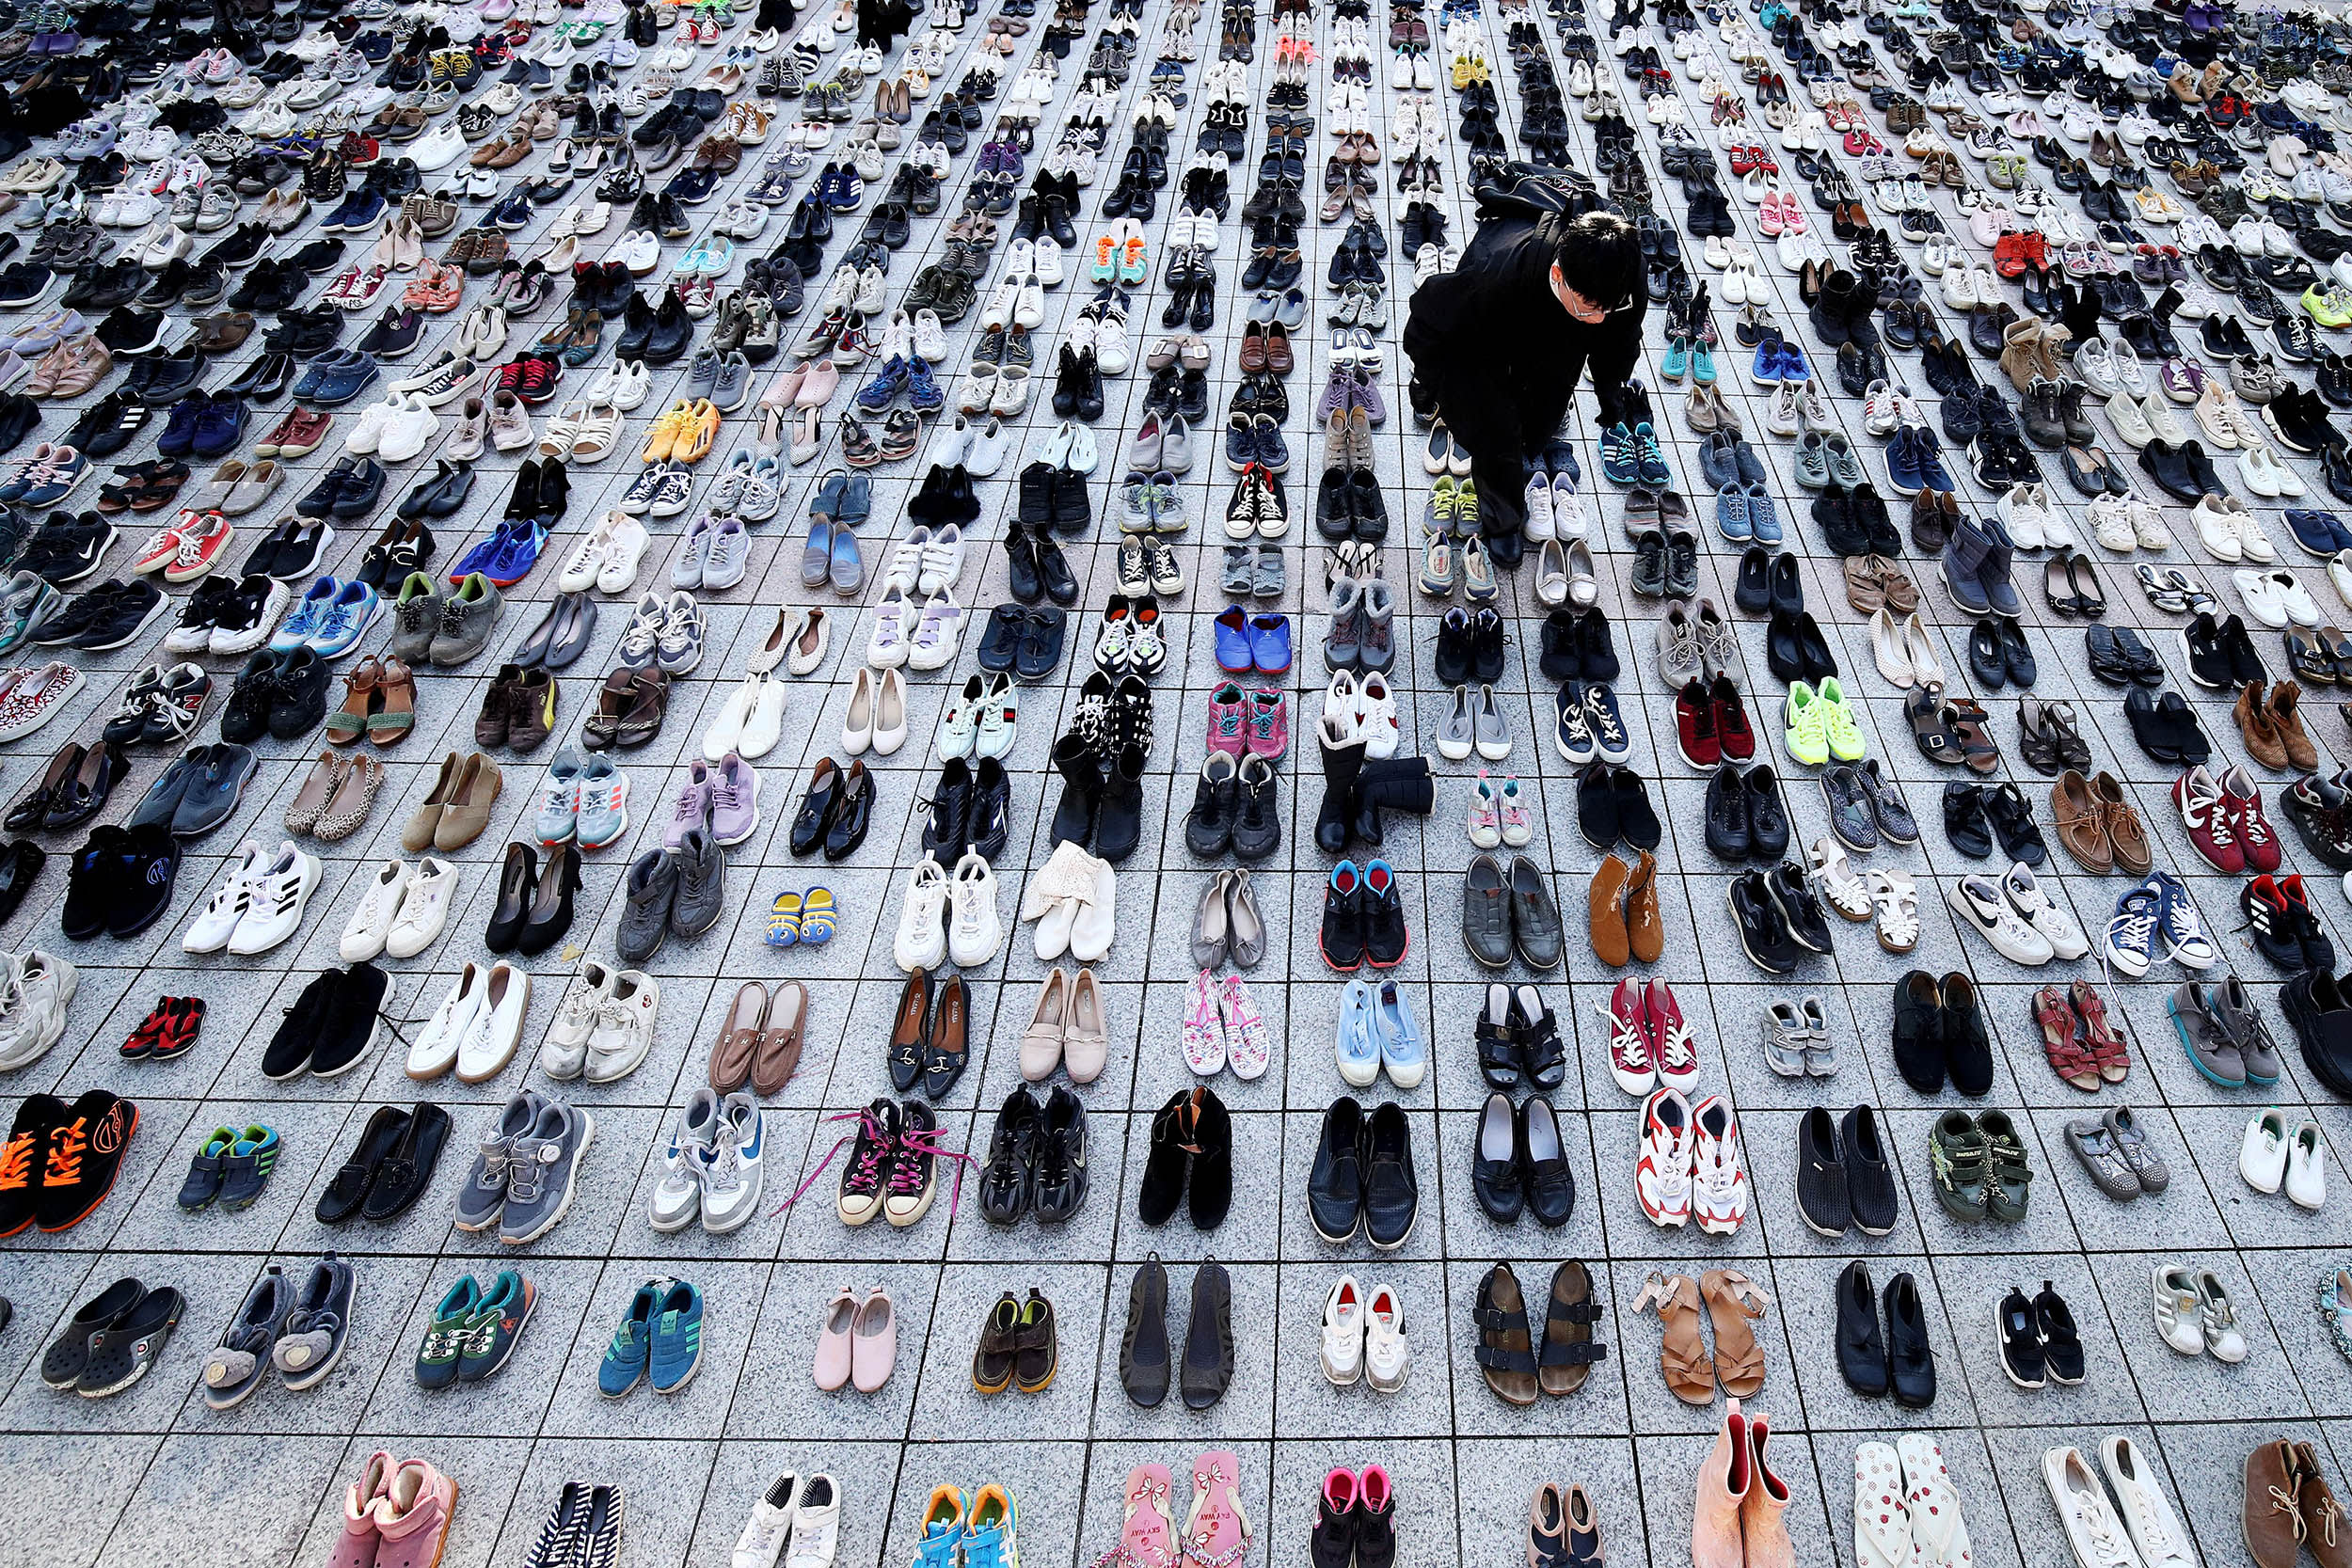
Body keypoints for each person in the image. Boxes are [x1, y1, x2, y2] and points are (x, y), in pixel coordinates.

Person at [1403, 209, 1647, 566]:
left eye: (1607, 309)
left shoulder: (1623, 270)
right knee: (1495, 425)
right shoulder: (1493, 275)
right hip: (1491, 326)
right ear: (1559, 275)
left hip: (1557, 318)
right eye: (1590, 309)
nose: (1599, 320)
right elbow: (1427, 317)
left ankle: (1526, 448)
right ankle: (1502, 520)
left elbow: (1620, 338)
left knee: (1543, 408)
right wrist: (1429, 380)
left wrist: (1611, 392)